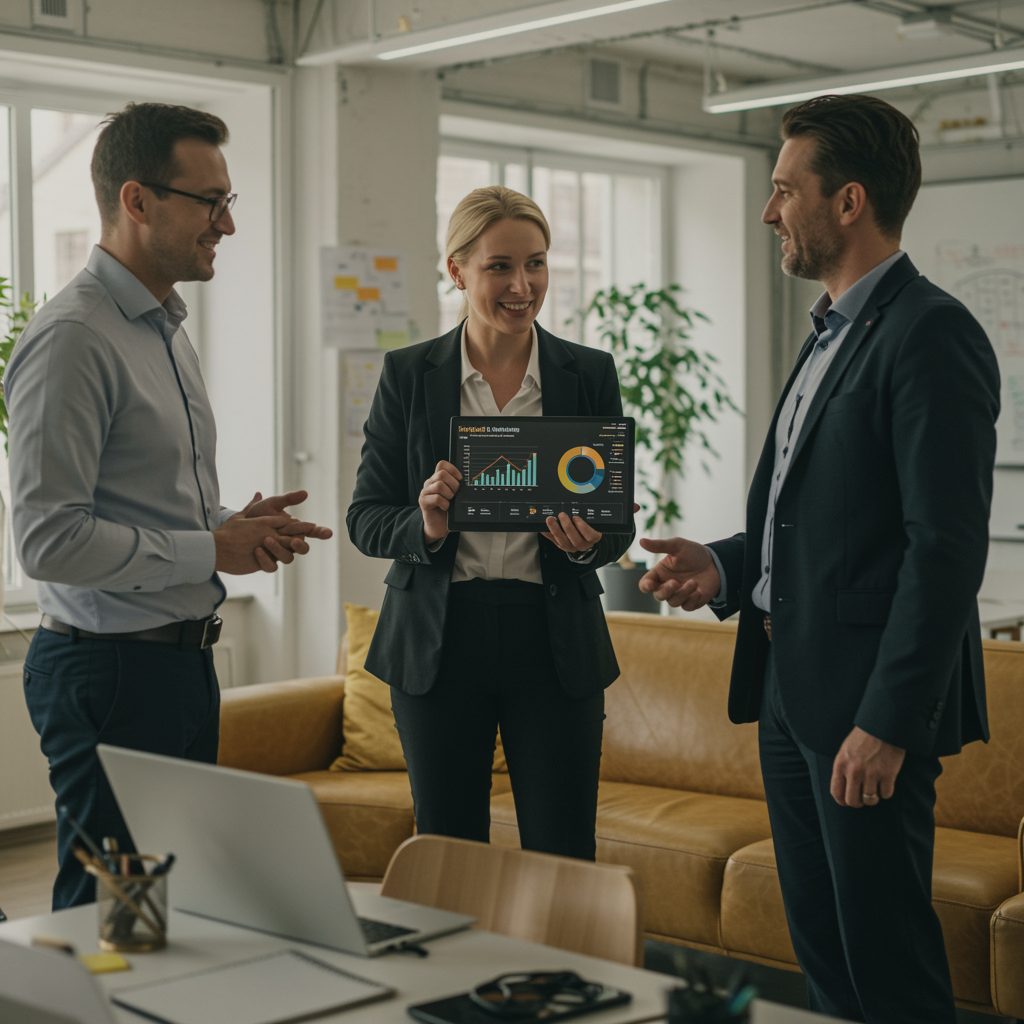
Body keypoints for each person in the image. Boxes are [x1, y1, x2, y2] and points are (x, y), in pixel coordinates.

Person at [638, 95, 999, 1023]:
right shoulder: (831, 330)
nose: (768, 213)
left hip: (864, 711)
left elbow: (944, 550)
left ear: (847, 201)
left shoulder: (931, 333)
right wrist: (723, 566)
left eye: (782, 190)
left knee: (885, 956)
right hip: (792, 696)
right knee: (825, 952)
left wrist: (888, 720)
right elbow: (819, 524)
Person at [5, 102, 332, 910]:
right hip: (110, 668)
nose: (226, 223)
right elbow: (47, 540)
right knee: (114, 917)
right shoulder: (74, 337)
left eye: (230, 202)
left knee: (171, 908)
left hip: (178, 663)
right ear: (137, 200)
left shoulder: (163, 328)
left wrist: (228, 529)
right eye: (209, 202)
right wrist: (206, 550)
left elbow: (146, 501)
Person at [347, 186, 633, 861]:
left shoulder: (587, 373)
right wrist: (426, 525)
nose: (522, 285)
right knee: (448, 852)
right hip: (440, 643)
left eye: (535, 264)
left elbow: (614, 525)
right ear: (456, 270)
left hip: (553, 637)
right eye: (499, 266)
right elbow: (366, 519)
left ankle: (558, 972)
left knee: (563, 850)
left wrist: (594, 540)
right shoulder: (409, 375)